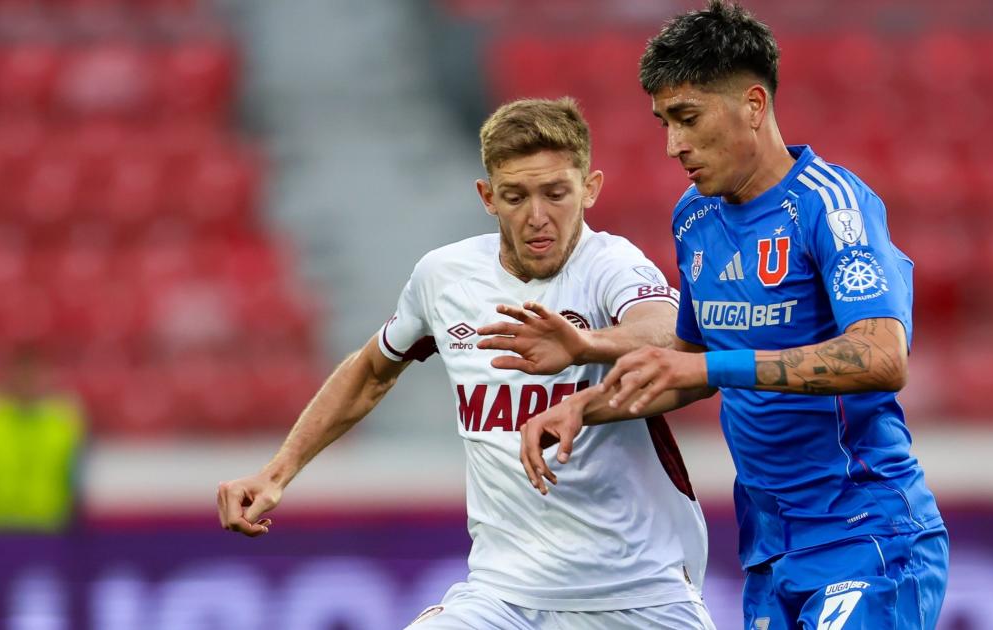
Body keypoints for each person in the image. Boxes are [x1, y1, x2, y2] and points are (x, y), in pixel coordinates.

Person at [505, 3, 947, 628]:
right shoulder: (695, 217)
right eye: (664, 123)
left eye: (687, 118)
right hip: (770, 550)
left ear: (754, 105)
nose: (673, 145)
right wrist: (586, 405)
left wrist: (713, 366)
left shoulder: (832, 206)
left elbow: (881, 356)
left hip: (865, 534)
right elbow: (688, 364)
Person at [215, 97, 715, 630]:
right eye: (515, 196)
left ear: (590, 188)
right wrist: (275, 473)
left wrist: (583, 345)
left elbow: (673, 331)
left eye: (556, 193)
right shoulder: (444, 277)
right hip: (503, 596)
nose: (537, 216)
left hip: (638, 591)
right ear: (487, 196)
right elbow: (371, 372)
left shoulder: (610, 264)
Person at [0, 347, 85, 532]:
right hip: (2, 525)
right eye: (22, 377)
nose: (27, 383)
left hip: (49, 524)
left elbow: (76, 475)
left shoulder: (64, 422)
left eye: (33, 377)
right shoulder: (0, 419)